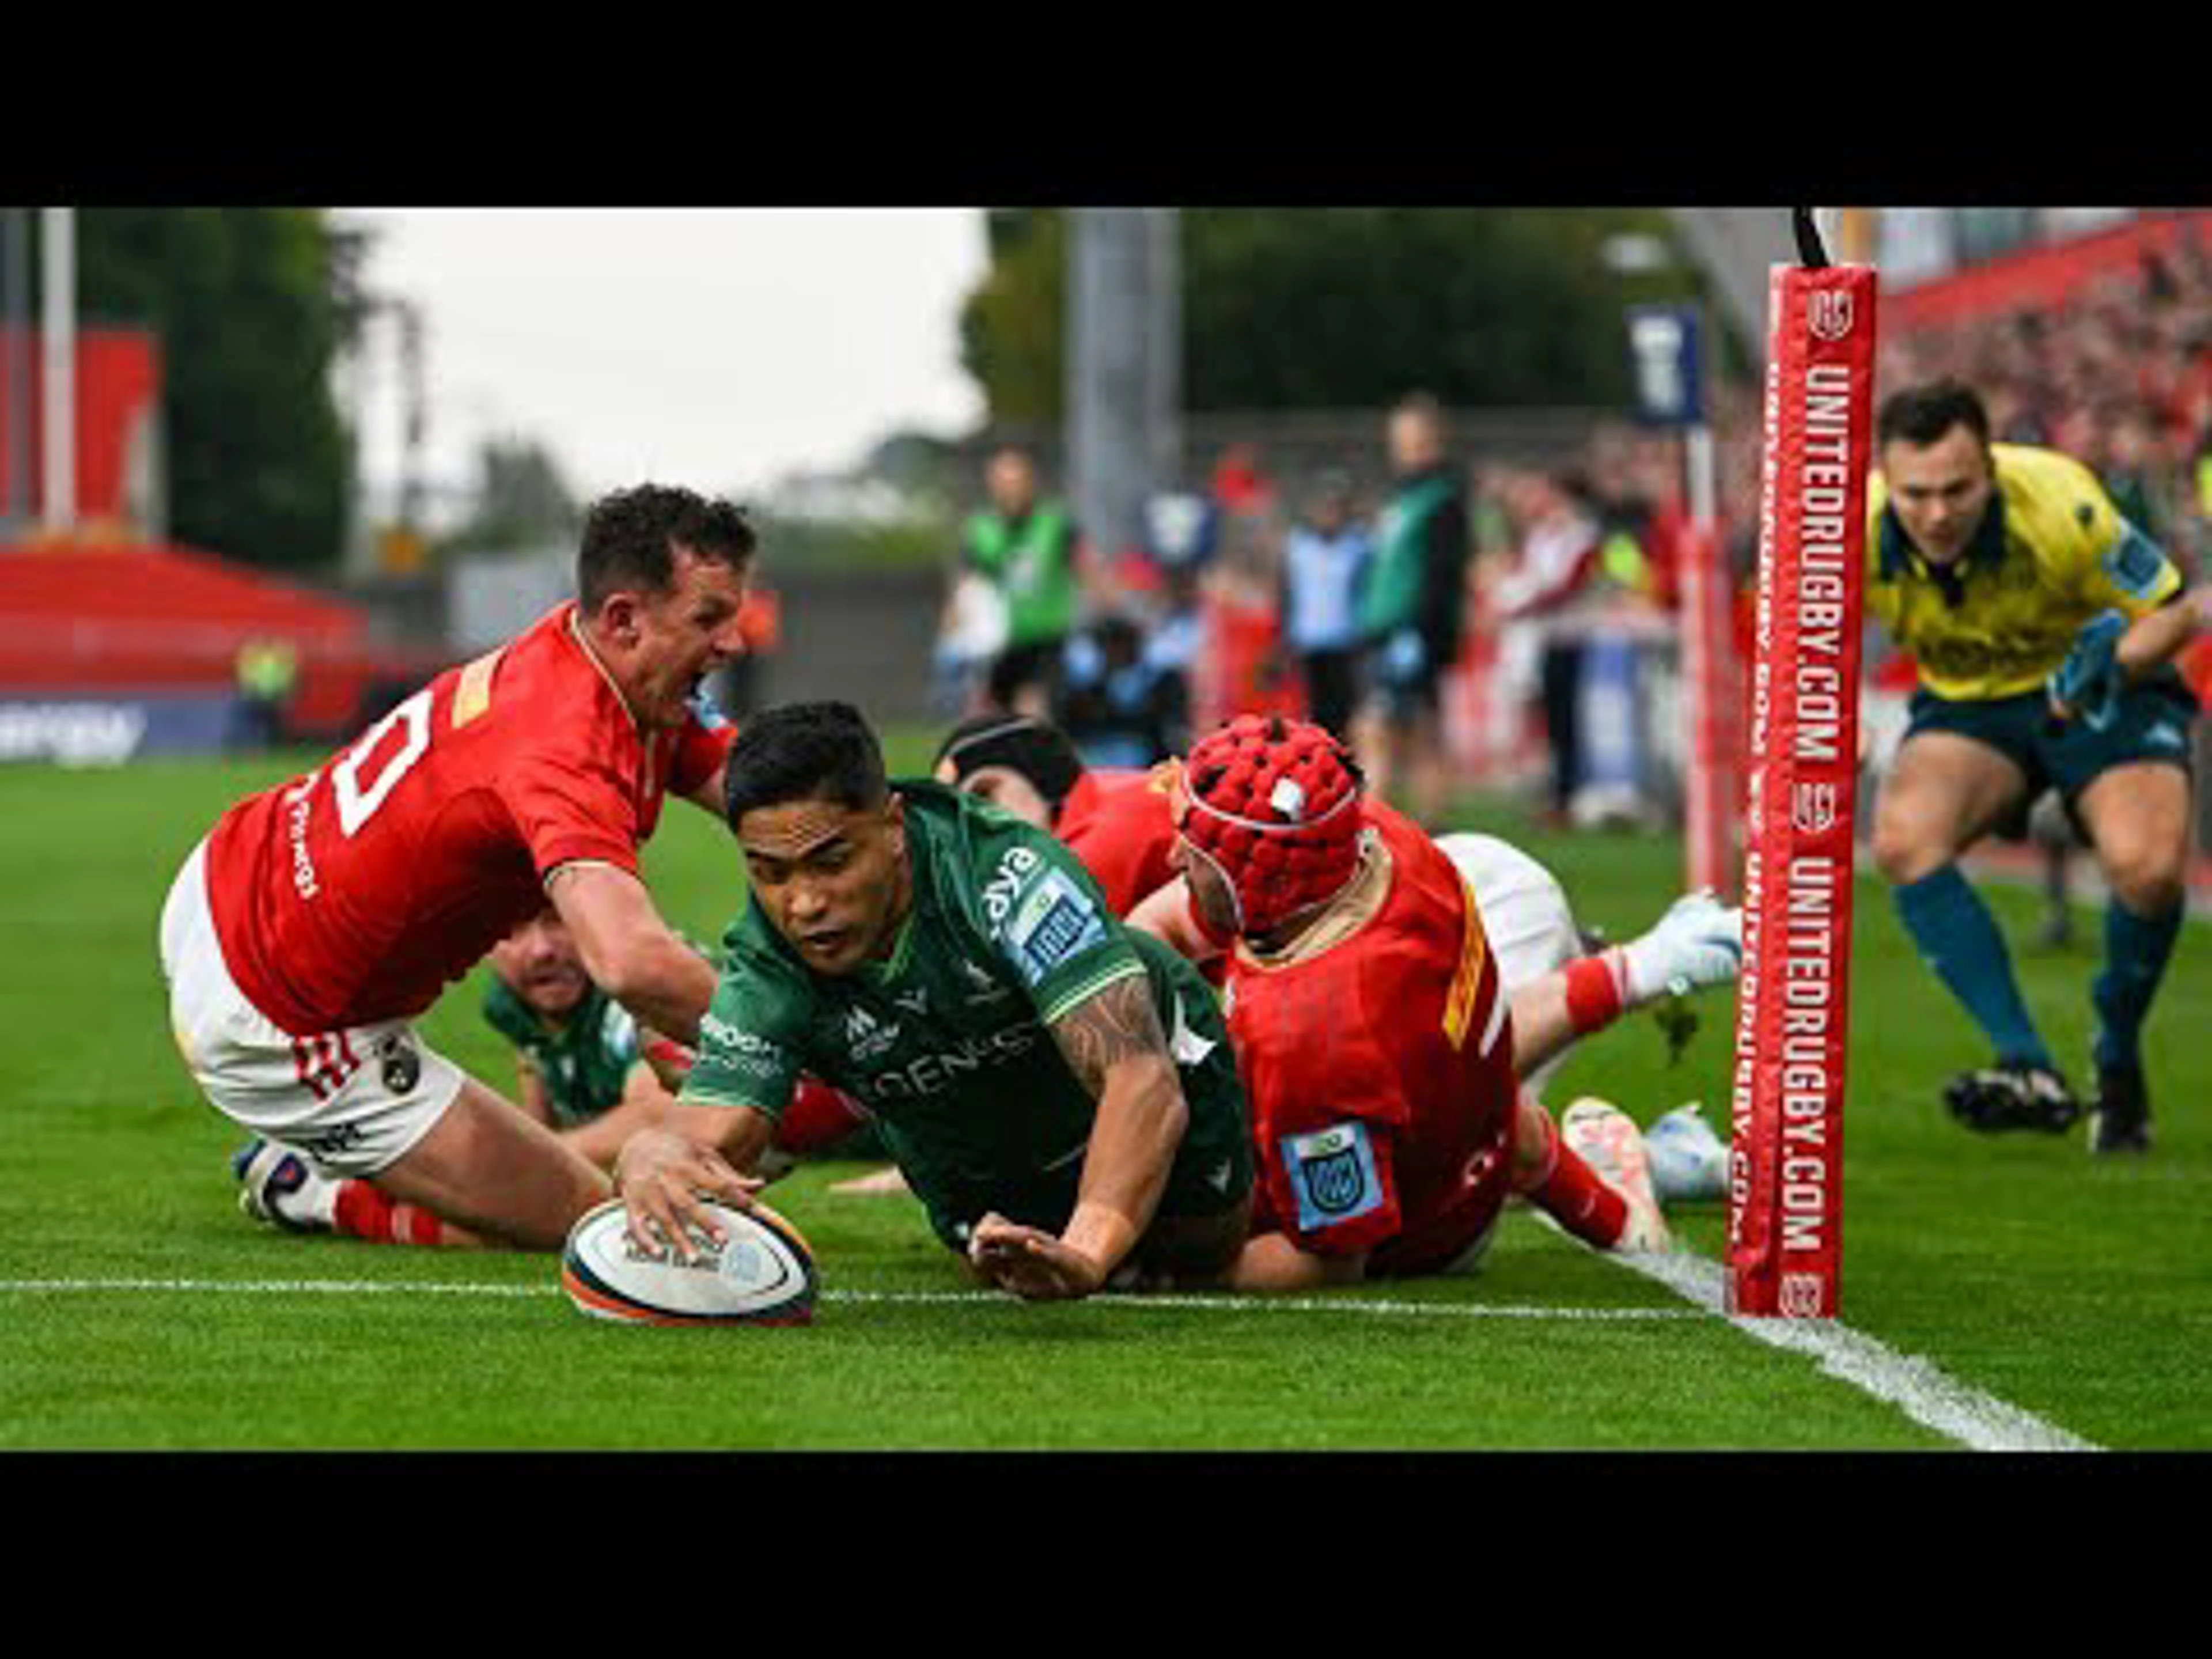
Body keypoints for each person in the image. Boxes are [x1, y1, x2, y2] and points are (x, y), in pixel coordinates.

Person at [165, 484, 753, 1251]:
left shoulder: (605, 664)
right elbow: (633, 963)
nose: (733, 643)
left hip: (232, 865)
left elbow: (774, 802)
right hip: (286, 1020)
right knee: (610, 1228)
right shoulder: (564, 742)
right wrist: (799, 1057)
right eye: (709, 619)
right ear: (623, 620)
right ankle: (310, 1190)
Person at [608, 701, 1255, 1302]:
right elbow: (717, 1127)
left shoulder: (1005, 874)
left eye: (830, 863)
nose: (803, 904)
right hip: (982, 1179)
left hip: (1163, 1095)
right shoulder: (769, 958)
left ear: (892, 826)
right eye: (770, 873)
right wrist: (656, 1150)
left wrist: (1088, 1252)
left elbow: (1139, 1077)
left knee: (1196, 1262)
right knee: (1009, 1260)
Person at [1117, 714, 1726, 1290]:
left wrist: (1165, 1274)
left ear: (1268, 882)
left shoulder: (1315, 1035)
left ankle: (1642, 1006)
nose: (1172, 858)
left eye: (1192, 854)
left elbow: (1330, 1256)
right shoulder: (1361, 835)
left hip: (1425, 1222)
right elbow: (1167, 925)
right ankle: (1627, 1206)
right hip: (1481, 1119)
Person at [1866, 379, 2200, 1153]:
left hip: (2102, 687)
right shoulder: (1849, 524)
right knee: (1905, 839)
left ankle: (2116, 1047)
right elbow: (1809, 644)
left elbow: (2176, 608)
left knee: (2148, 871)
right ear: (1887, 477)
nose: (1938, 514)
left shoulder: (2062, 503)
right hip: (1972, 708)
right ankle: (2028, 1065)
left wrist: (2115, 656)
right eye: (1916, 494)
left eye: (1958, 489)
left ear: (1991, 467)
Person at [1350, 393, 1472, 827]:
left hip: (1410, 631)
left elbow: (1443, 573)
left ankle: (1384, 825)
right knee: (1408, 730)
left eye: (1412, 440)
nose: (1402, 449)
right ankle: (1417, 825)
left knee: (1384, 730)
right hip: (1387, 629)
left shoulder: (1442, 500)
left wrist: (1421, 633)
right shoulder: (1404, 498)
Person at [957, 445, 1082, 717]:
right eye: (1002, 483)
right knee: (987, 715)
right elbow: (966, 584)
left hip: (1045, 635)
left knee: (1034, 711)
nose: (1010, 491)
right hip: (998, 640)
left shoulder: (1054, 522)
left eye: (1016, 483)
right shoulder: (980, 528)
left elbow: (1086, 568)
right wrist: (953, 635)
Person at [1275, 469, 1373, 738]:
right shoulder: (1297, 546)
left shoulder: (1360, 544)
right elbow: (1286, 594)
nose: (1330, 513)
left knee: (1347, 714)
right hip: (1308, 643)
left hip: (1346, 642)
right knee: (1314, 718)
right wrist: (1284, 640)